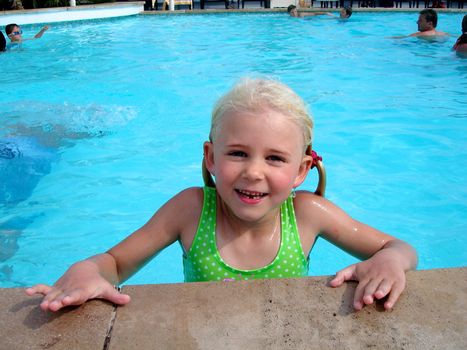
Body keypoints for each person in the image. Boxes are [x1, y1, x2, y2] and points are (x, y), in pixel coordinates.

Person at [25, 77, 418, 313]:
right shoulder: (190, 210)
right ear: (211, 157)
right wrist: (87, 271)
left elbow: (399, 247)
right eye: (238, 153)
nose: (253, 171)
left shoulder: (307, 214)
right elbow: (114, 262)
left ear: (301, 170)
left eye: (275, 158)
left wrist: (387, 262)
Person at [287, 5, 352, 20]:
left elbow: (314, 13)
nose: (294, 13)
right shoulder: (288, 20)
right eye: (292, 12)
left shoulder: (301, 15)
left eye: (295, 11)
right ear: (289, 13)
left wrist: (324, 13)